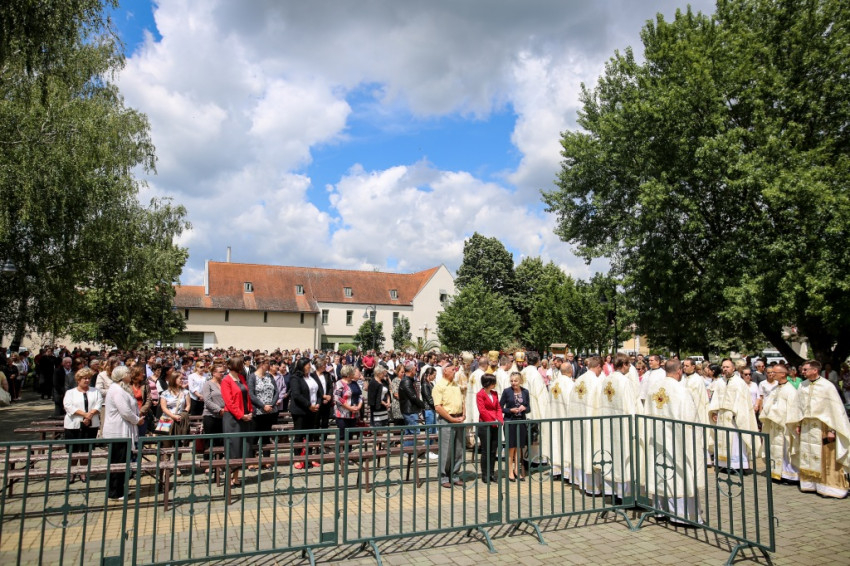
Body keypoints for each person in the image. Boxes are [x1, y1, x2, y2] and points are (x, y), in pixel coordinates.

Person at [643, 359, 705, 524]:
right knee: (679, 473)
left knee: (661, 469)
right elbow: (691, 420)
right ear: (679, 372)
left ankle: (660, 509)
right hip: (677, 440)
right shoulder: (681, 390)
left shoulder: (653, 388)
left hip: (657, 437)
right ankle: (682, 515)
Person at [790, 360, 850, 498]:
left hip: (823, 427)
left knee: (826, 457)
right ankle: (810, 484)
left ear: (815, 370)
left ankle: (829, 487)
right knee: (807, 455)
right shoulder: (802, 385)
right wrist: (798, 424)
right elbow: (798, 406)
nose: (802, 372)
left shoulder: (827, 386)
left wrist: (832, 430)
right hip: (806, 426)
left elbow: (834, 411)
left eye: (805, 369)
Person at [596, 353, 640, 498]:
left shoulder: (606, 379)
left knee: (612, 454)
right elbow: (630, 405)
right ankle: (625, 494)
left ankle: (611, 491)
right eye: (629, 364)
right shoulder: (624, 381)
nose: (630, 367)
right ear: (624, 365)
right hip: (623, 425)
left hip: (608, 423)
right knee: (623, 456)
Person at [708, 358, 759, 471]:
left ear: (733, 368)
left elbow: (742, 401)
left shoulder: (739, 383)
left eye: (727, 367)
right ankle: (723, 464)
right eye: (723, 367)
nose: (725, 369)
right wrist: (714, 412)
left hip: (734, 417)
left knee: (735, 441)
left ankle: (736, 466)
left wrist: (736, 414)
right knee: (722, 439)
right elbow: (716, 398)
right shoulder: (720, 382)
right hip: (721, 416)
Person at [102, 366, 142, 500]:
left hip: (123, 430)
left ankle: (119, 488)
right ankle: (115, 492)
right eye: (128, 373)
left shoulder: (121, 388)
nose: (130, 375)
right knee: (118, 461)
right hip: (118, 431)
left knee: (123, 461)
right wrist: (137, 420)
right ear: (122, 376)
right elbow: (125, 411)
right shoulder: (117, 390)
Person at [566, 356, 603, 494]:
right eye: (601, 369)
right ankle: (592, 487)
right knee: (590, 450)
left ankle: (580, 482)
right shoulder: (596, 382)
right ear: (598, 366)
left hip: (577, 422)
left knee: (580, 450)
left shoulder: (579, 380)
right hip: (591, 421)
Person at [758, 363, 800, 483]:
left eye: (774, 372)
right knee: (774, 449)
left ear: (782, 374)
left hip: (784, 426)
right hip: (774, 425)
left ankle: (789, 475)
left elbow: (793, 409)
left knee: (785, 450)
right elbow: (768, 404)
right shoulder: (775, 389)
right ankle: (776, 472)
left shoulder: (790, 390)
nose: (772, 374)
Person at [63, 367, 102, 480]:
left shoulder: (95, 391)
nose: (87, 380)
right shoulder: (70, 392)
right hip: (73, 425)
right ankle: (72, 472)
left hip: (91, 424)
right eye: (85, 378)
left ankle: (83, 471)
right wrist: (85, 415)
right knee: (73, 450)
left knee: (86, 449)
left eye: (89, 378)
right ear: (78, 380)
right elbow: (68, 406)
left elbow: (99, 404)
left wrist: (90, 415)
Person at [221, 356, 254, 486]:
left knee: (241, 448)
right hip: (232, 419)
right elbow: (229, 402)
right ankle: (228, 477)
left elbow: (247, 396)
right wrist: (241, 415)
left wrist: (250, 411)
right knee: (232, 448)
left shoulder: (241, 378)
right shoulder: (226, 380)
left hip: (244, 416)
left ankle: (236, 477)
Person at [433, 365, 465, 488]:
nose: (454, 372)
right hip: (446, 420)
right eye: (452, 369)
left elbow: (462, 401)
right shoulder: (439, 386)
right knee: (446, 450)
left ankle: (455, 475)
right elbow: (438, 407)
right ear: (445, 371)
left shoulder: (456, 385)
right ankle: (443, 476)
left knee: (458, 449)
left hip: (458, 419)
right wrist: (451, 419)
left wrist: (463, 414)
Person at [289, 358, 321, 469]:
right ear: (302, 366)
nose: (309, 366)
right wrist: (309, 405)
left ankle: (309, 457)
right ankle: (298, 458)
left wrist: (318, 403)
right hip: (300, 411)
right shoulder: (295, 378)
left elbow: (319, 392)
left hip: (313, 410)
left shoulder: (312, 377)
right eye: (308, 364)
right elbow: (296, 395)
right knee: (299, 434)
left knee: (310, 435)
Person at [247, 357, 279, 468]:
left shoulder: (270, 376)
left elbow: (276, 391)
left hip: (269, 411)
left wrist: (271, 405)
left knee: (266, 437)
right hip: (257, 412)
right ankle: (252, 461)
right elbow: (251, 394)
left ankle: (266, 459)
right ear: (261, 364)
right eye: (267, 363)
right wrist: (263, 406)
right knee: (254, 437)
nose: (269, 365)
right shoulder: (252, 377)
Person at [546, 360, 574, 480]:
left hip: (554, 417)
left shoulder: (554, 383)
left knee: (555, 441)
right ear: (570, 371)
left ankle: (555, 470)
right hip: (566, 418)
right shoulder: (570, 384)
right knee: (565, 442)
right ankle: (566, 472)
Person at [501, 372, 530, 482]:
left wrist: (524, 408)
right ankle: (510, 471)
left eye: (516, 381)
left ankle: (517, 470)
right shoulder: (507, 391)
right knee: (511, 447)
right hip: (510, 421)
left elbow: (529, 408)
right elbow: (500, 407)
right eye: (512, 381)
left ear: (520, 381)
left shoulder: (525, 392)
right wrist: (510, 410)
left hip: (521, 421)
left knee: (519, 447)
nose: (513, 383)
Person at [476, 374, 503, 483]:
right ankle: (485, 474)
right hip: (485, 424)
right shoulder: (480, 394)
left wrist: (500, 419)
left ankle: (491, 473)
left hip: (495, 424)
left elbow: (498, 408)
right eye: (493, 382)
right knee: (485, 451)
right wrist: (492, 420)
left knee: (493, 450)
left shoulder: (494, 393)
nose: (494, 384)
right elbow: (482, 410)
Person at [333, 365, 363, 450]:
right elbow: (338, 398)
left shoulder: (354, 383)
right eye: (352, 372)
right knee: (342, 435)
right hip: (342, 414)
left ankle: (348, 452)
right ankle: (340, 453)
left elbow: (360, 395)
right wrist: (349, 408)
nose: (354, 374)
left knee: (350, 435)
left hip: (353, 414)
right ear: (348, 374)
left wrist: (359, 406)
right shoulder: (339, 383)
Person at [202, 363, 227, 462]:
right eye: (220, 372)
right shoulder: (208, 384)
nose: (222, 374)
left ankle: (218, 462)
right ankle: (207, 463)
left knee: (220, 440)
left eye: (223, 372)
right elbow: (207, 401)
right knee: (209, 440)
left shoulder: (224, 383)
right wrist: (219, 410)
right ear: (214, 373)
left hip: (223, 416)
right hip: (210, 415)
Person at [398, 361, 425, 448]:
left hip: (410, 410)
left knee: (409, 432)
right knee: (414, 432)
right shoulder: (406, 381)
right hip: (410, 410)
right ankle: (408, 451)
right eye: (415, 369)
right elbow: (413, 397)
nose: (416, 371)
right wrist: (423, 405)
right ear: (411, 370)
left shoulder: (409, 380)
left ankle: (406, 450)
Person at [130, 366, 152, 440]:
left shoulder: (145, 385)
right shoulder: (128, 385)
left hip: (142, 414)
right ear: (136, 375)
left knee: (140, 436)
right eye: (141, 373)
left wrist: (141, 411)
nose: (143, 374)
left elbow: (149, 400)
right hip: (131, 414)